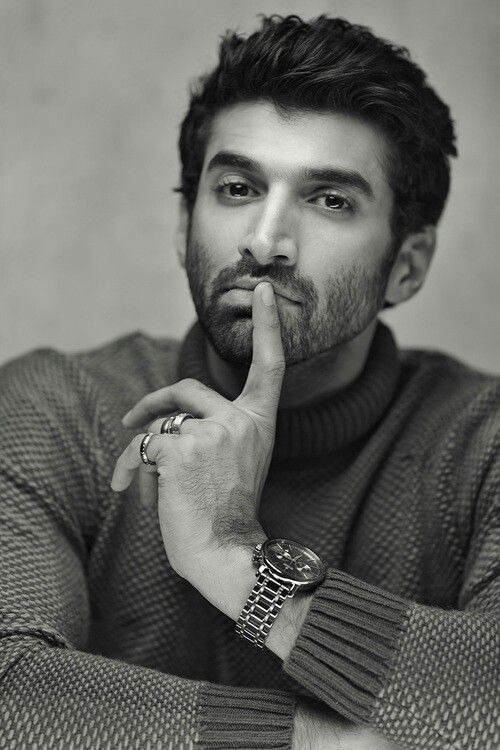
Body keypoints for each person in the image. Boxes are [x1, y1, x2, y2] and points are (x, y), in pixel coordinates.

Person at [0, 13, 497, 750]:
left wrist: (234, 558)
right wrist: (339, 742)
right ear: (183, 225)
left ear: (407, 266)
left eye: (330, 200)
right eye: (237, 187)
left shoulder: (482, 444)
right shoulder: (56, 409)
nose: (265, 242)